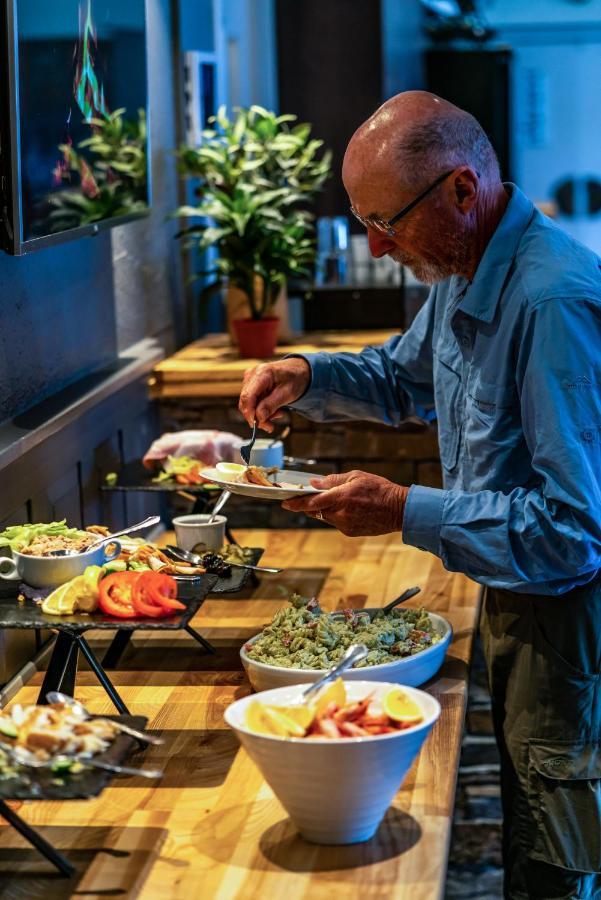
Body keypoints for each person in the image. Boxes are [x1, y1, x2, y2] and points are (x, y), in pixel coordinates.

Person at [238, 91, 601, 899]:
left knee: (554, 850)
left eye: (385, 221)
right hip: (511, 585)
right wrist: (308, 374)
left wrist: (406, 510)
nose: (375, 243)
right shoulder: (465, 267)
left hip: (571, 613)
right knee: (520, 809)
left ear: (461, 192)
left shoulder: (551, 301)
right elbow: (406, 377)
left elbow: (573, 534)